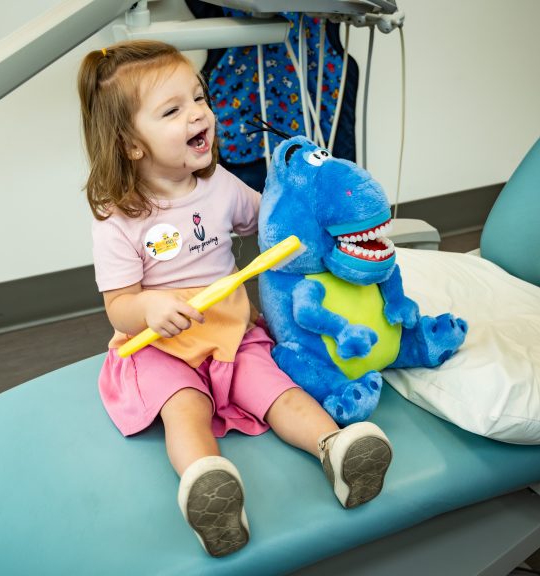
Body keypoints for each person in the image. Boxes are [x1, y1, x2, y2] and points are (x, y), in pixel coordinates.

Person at [77, 40, 392, 558]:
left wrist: (307, 214)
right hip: (160, 347)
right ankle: (210, 487)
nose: (199, 113)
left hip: (232, 334)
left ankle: (335, 449)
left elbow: (266, 222)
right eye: (173, 110)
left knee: (279, 392)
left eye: (199, 97)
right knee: (186, 408)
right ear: (131, 144)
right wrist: (150, 308)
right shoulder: (118, 218)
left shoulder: (219, 184)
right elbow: (119, 306)